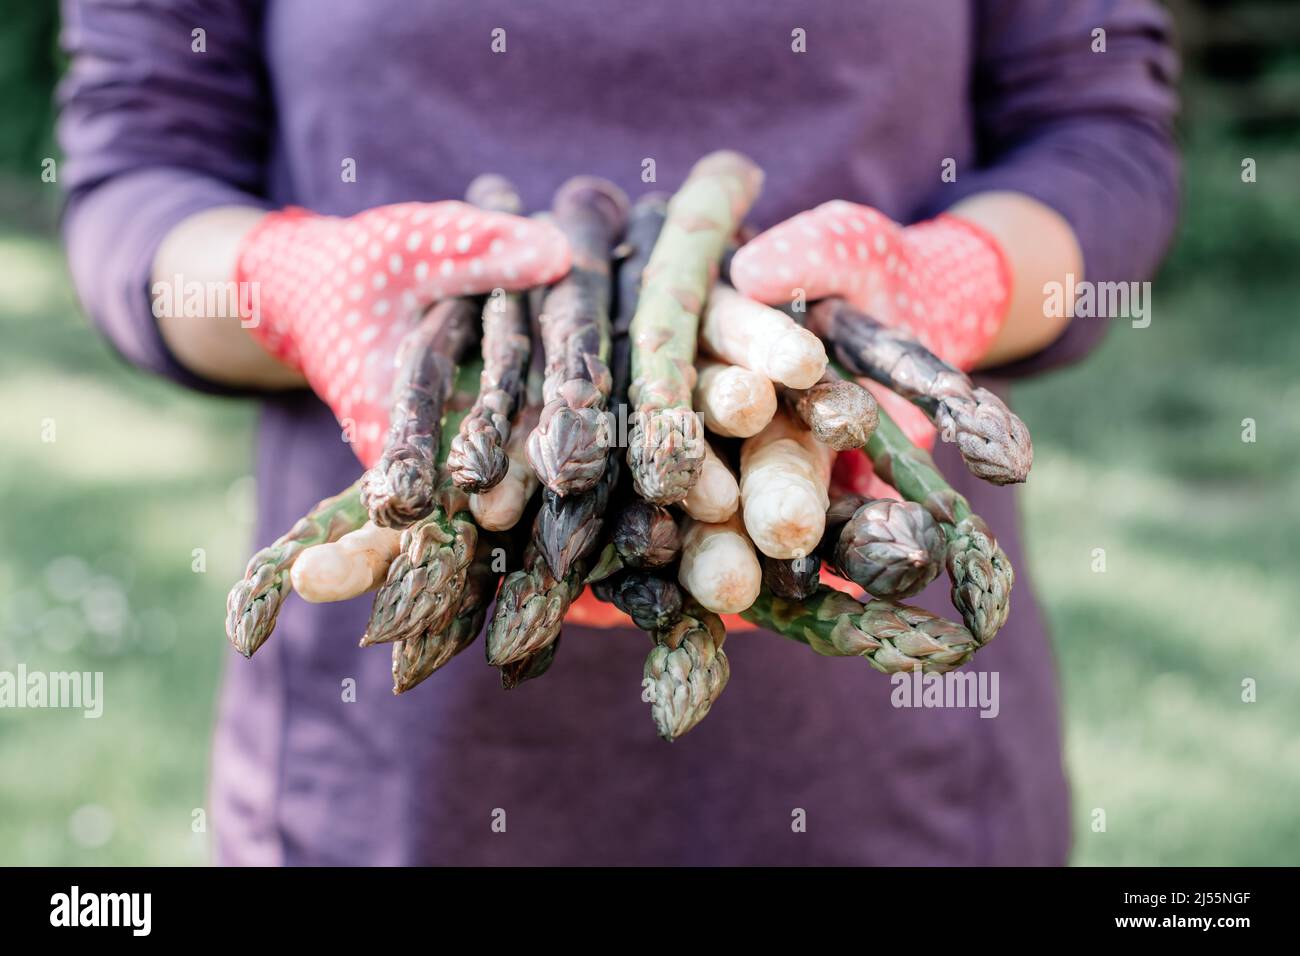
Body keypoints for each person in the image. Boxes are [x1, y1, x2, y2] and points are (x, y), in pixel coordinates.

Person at [58, 0, 1178, 865]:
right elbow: (135, 173)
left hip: (892, 776)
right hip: (374, 786)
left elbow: (1098, 135)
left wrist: (956, 284)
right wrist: (277, 282)